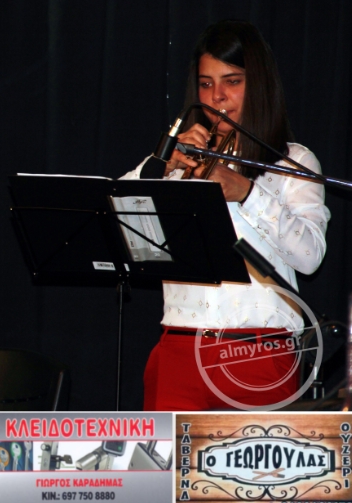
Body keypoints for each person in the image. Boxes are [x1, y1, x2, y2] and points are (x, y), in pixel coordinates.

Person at [123, 20, 330, 410]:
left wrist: (247, 193)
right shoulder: (176, 161)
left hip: (257, 353)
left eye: (232, 81)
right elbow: (118, 219)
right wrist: (161, 165)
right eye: (206, 84)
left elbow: (310, 257)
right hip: (179, 349)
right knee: (161, 453)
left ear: (259, 85)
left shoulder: (294, 162)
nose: (217, 96)